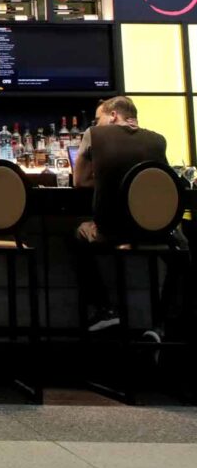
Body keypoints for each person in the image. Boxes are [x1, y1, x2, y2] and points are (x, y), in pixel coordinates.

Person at [71, 96, 185, 338]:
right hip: (155, 232)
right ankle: (163, 326)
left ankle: (105, 309)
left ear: (113, 116)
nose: (96, 123)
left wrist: (105, 178)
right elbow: (159, 182)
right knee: (182, 255)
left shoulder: (94, 135)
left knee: (79, 233)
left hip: (110, 232)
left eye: (98, 118)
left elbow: (78, 181)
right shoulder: (158, 140)